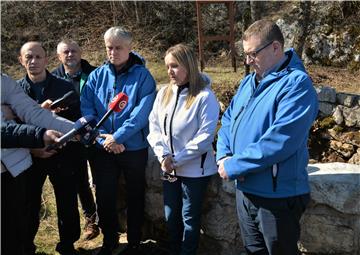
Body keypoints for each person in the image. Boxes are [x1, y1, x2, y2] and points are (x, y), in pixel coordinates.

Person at [216, 19, 319, 255]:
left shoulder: (297, 84)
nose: (248, 61)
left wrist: (234, 165)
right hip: (246, 191)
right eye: (246, 55)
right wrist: (224, 154)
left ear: (275, 48)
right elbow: (229, 120)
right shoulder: (248, 82)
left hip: (277, 196)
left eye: (253, 54)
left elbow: (281, 140)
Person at [80, 26, 156, 255]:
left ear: (129, 48)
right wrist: (104, 140)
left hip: (133, 147)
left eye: (118, 48)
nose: (113, 52)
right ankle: (109, 241)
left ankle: (134, 241)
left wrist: (119, 137)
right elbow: (88, 110)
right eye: (109, 48)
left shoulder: (143, 76)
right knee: (104, 195)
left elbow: (141, 114)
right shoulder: (96, 76)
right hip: (102, 147)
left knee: (135, 194)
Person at [147, 44, 220, 255]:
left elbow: (205, 138)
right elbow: (154, 127)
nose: (170, 71)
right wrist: (163, 156)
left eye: (175, 66)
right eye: (167, 66)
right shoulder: (163, 94)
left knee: (190, 219)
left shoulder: (205, 98)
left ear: (188, 66)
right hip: (169, 169)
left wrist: (176, 160)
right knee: (171, 218)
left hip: (194, 172)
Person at [17, 41, 82, 255]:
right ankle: (27, 246)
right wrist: (34, 148)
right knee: (28, 204)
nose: (33, 61)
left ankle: (67, 245)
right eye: (28, 57)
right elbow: (13, 127)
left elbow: (74, 122)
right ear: (21, 60)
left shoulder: (64, 87)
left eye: (38, 57)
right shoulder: (15, 91)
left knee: (67, 201)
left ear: (47, 59)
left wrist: (59, 142)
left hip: (62, 154)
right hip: (31, 156)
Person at [1, 73, 75, 255]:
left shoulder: (4, 81)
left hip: (15, 169)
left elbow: (33, 112)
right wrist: (40, 135)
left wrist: (76, 130)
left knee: (16, 232)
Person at [52, 39, 100, 241]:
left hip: (97, 134)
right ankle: (91, 219)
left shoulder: (95, 73)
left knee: (101, 180)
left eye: (74, 51)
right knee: (80, 181)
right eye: (66, 52)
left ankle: (109, 220)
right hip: (71, 139)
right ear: (58, 56)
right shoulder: (52, 78)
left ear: (81, 53)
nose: (70, 55)